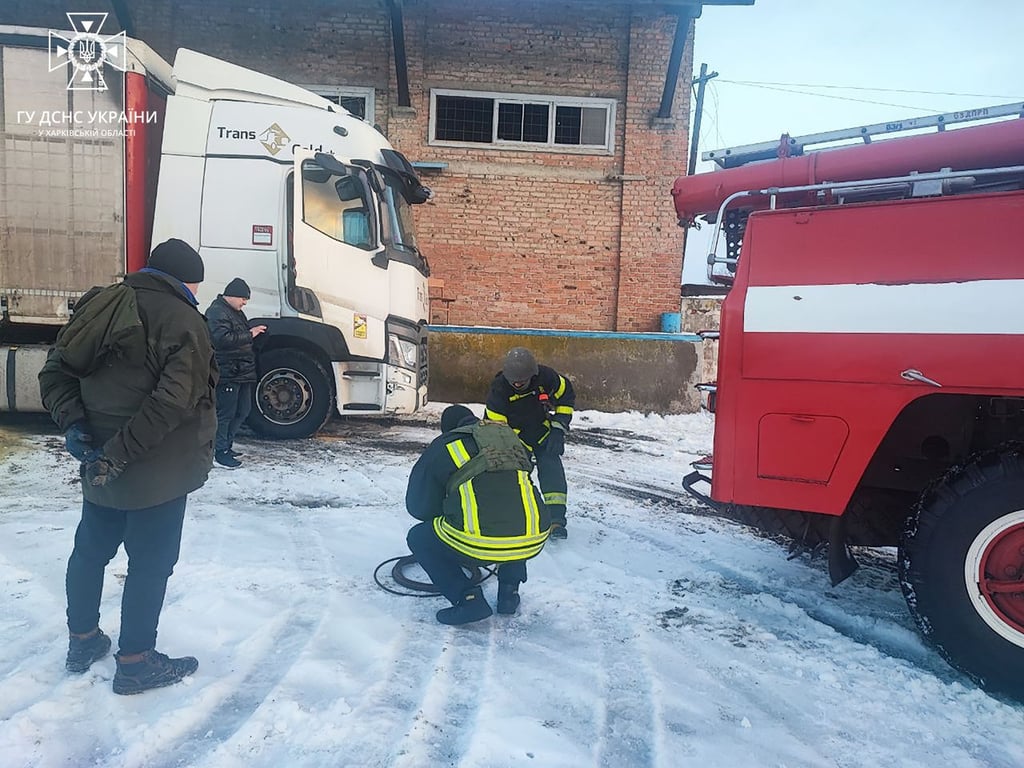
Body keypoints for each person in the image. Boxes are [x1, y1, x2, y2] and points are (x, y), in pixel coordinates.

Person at [39, 238, 218, 696]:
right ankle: (136, 664)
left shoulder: (100, 305)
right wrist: (119, 454)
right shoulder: (182, 319)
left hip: (98, 462)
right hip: (156, 470)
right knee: (150, 565)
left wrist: (76, 426)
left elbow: (55, 372)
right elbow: (173, 402)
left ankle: (82, 641)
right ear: (187, 281)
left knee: (90, 553)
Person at [405, 405, 551, 625]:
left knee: (419, 537)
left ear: (449, 429)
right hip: (534, 538)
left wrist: (448, 509)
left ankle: (468, 599)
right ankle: (509, 595)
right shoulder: (510, 440)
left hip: (476, 542)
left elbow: (418, 507)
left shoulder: (445, 445)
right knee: (512, 515)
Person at [484, 347, 576, 539]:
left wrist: (559, 429)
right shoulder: (499, 390)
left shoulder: (546, 377)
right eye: (514, 382)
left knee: (552, 470)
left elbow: (566, 395)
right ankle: (514, 519)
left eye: (523, 381)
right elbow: (496, 430)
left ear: (532, 375)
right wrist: (513, 452)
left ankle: (556, 521)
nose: (518, 384)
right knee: (513, 479)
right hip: (513, 438)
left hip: (542, 431)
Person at [205, 278, 265, 469]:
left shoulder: (234, 312)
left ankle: (227, 446)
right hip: (229, 371)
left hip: (242, 371)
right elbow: (221, 339)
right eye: (243, 298)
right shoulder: (216, 312)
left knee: (242, 411)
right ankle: (219, 452)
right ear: (231, 295)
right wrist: (251, 334)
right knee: (226, 413)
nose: (245, 303)